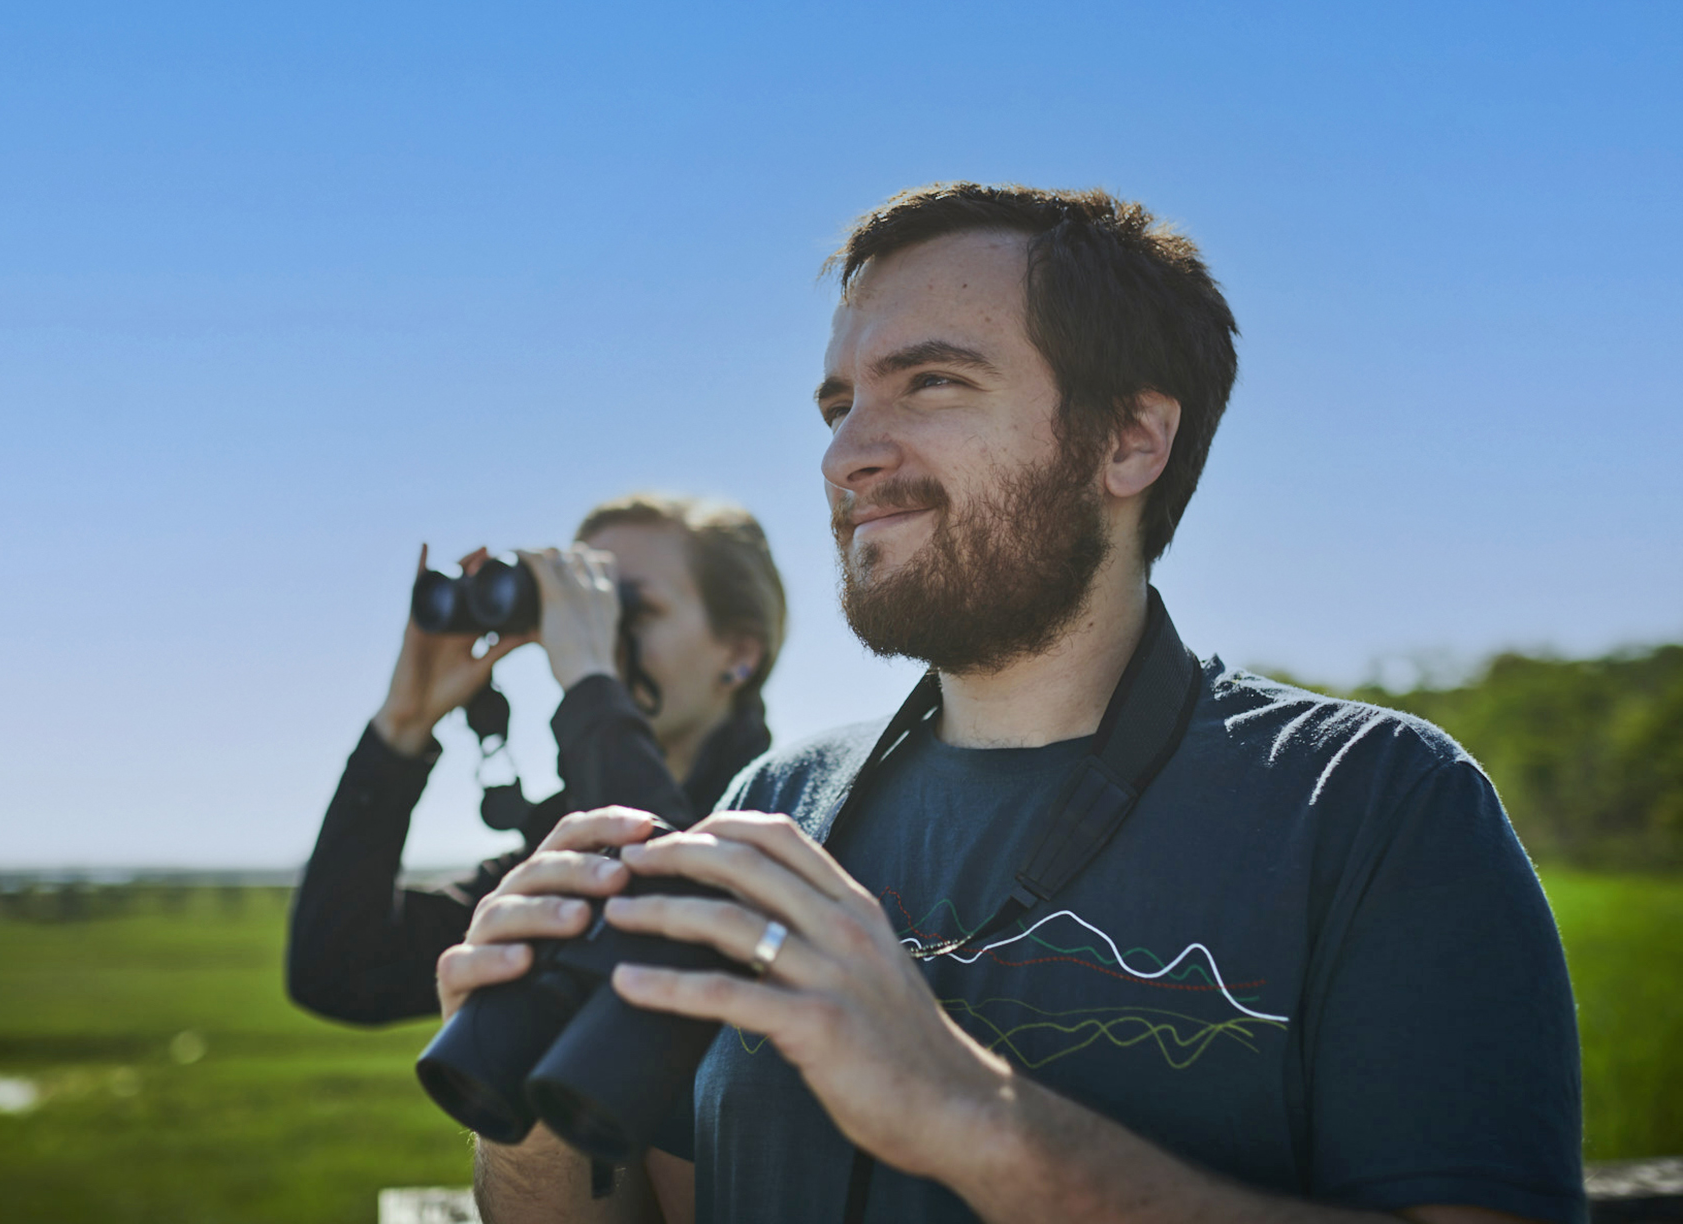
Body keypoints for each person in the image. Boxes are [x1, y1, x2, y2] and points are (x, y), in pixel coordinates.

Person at [438, 185, 1586, 1224]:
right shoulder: (775, 805)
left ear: (1132, 439)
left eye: (929, 381)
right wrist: (523, 1103)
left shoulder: (1374, 806)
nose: (846, 454)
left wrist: (968, 1112)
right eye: (838, 403)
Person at [286, 493, 785, 1025]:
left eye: (631, 610)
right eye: (588, 610)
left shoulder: (794, 825)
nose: (601, 637)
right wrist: (401, 730)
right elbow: (342, 969)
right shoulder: (566, 853)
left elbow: (676, 921)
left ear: (739, 654)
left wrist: (593, 684)